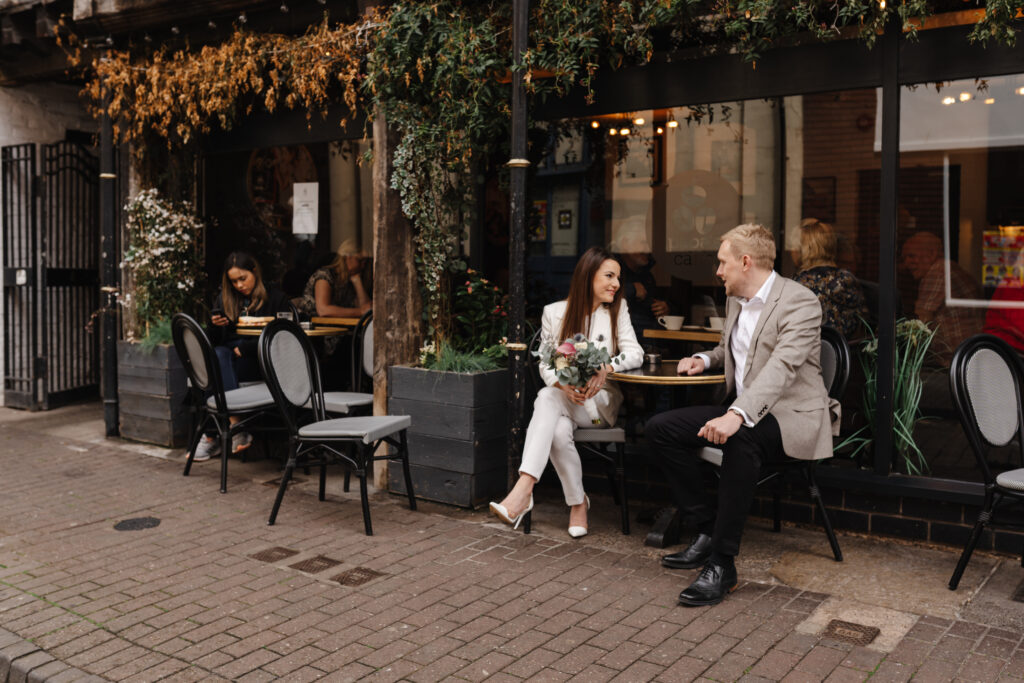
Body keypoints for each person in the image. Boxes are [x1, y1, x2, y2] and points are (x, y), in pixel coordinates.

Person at [646, 224, 839, 607]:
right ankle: (705, 531)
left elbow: (781, 367)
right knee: (660, 429)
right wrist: (702, 359)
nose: (718, 271)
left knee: (741, 436)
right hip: (747, 409)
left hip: (794, 417)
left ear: (746, 262)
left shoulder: (800, 302)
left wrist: (737, 414)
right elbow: (728, 350)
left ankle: (722, 564)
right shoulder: (736, 297)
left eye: (723, 262)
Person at [489, 246, 644, 537]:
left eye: (618, 277)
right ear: (588, 277)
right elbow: (546, 365)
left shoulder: (616, 310)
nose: (616, 284)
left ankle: (523, 490)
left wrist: (604, 367)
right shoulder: (554, 313)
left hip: (599, 407)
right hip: (565, 401)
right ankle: (577, 503)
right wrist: (564, 385)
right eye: (609, 276)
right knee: (556, 420)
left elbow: (636, 353)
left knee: (547, 399)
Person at [193, 251, 291, 462]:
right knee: (218, 356)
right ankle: (237, 426)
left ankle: (211, 436)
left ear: (254, 272)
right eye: (233, 281)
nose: (239, 285)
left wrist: (247, 348)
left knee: (215, 369)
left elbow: (284, 334)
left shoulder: (276, 298)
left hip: (259, 358)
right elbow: (216, 340)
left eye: (242, 279)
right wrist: (213, 325)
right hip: (229, 357)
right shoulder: (225, 299)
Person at [901, 231, 983, 365]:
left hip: (955, 360)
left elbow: (921, 323)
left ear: (932, 254)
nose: (907, 263)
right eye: (904, 259)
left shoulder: (938, 271)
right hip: (968, 356)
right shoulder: (949, 269)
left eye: (911, 256)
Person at [296, 239, 372, 356]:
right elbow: (323, 310)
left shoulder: (350, 279)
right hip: (316, 336)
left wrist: (357, 281)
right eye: (360, 260)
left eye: (365, 262)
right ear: (347, 257)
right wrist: (360, 311)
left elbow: (366, 309)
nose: (363, 265)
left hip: (339, 332)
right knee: (354, 345)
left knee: (362, 342)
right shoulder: (324, 275)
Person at [793, 219, 867, 338]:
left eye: (793, 246)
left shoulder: (800, 285)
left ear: (804, 249)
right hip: (848, 353)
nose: (792, 251)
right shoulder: (848, 279)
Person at [613, 230, 671, 343]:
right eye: (643, 242)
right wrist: (632, 290)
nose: (648, 249)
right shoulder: (611, 268)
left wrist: (665, 308)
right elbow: (599, 297)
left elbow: (653, 307)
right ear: (625, 244)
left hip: (650, 343)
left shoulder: (647, 276)